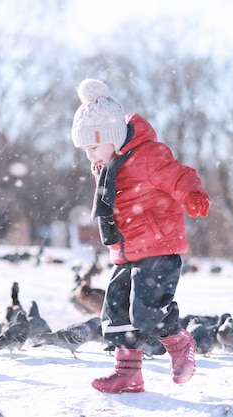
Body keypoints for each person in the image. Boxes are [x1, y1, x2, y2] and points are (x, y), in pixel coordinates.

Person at [70, 78, 211, 392]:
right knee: (116, 311)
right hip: (126, 251)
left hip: (159, 249)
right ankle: (128, 373)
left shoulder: (148, 155)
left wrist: (193, 194)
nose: (90, 155)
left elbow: (179, 175)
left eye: (93, 146)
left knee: (144, 310)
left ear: (112, 136)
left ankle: (178, 342)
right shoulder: (106, 164)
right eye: (84, 150)